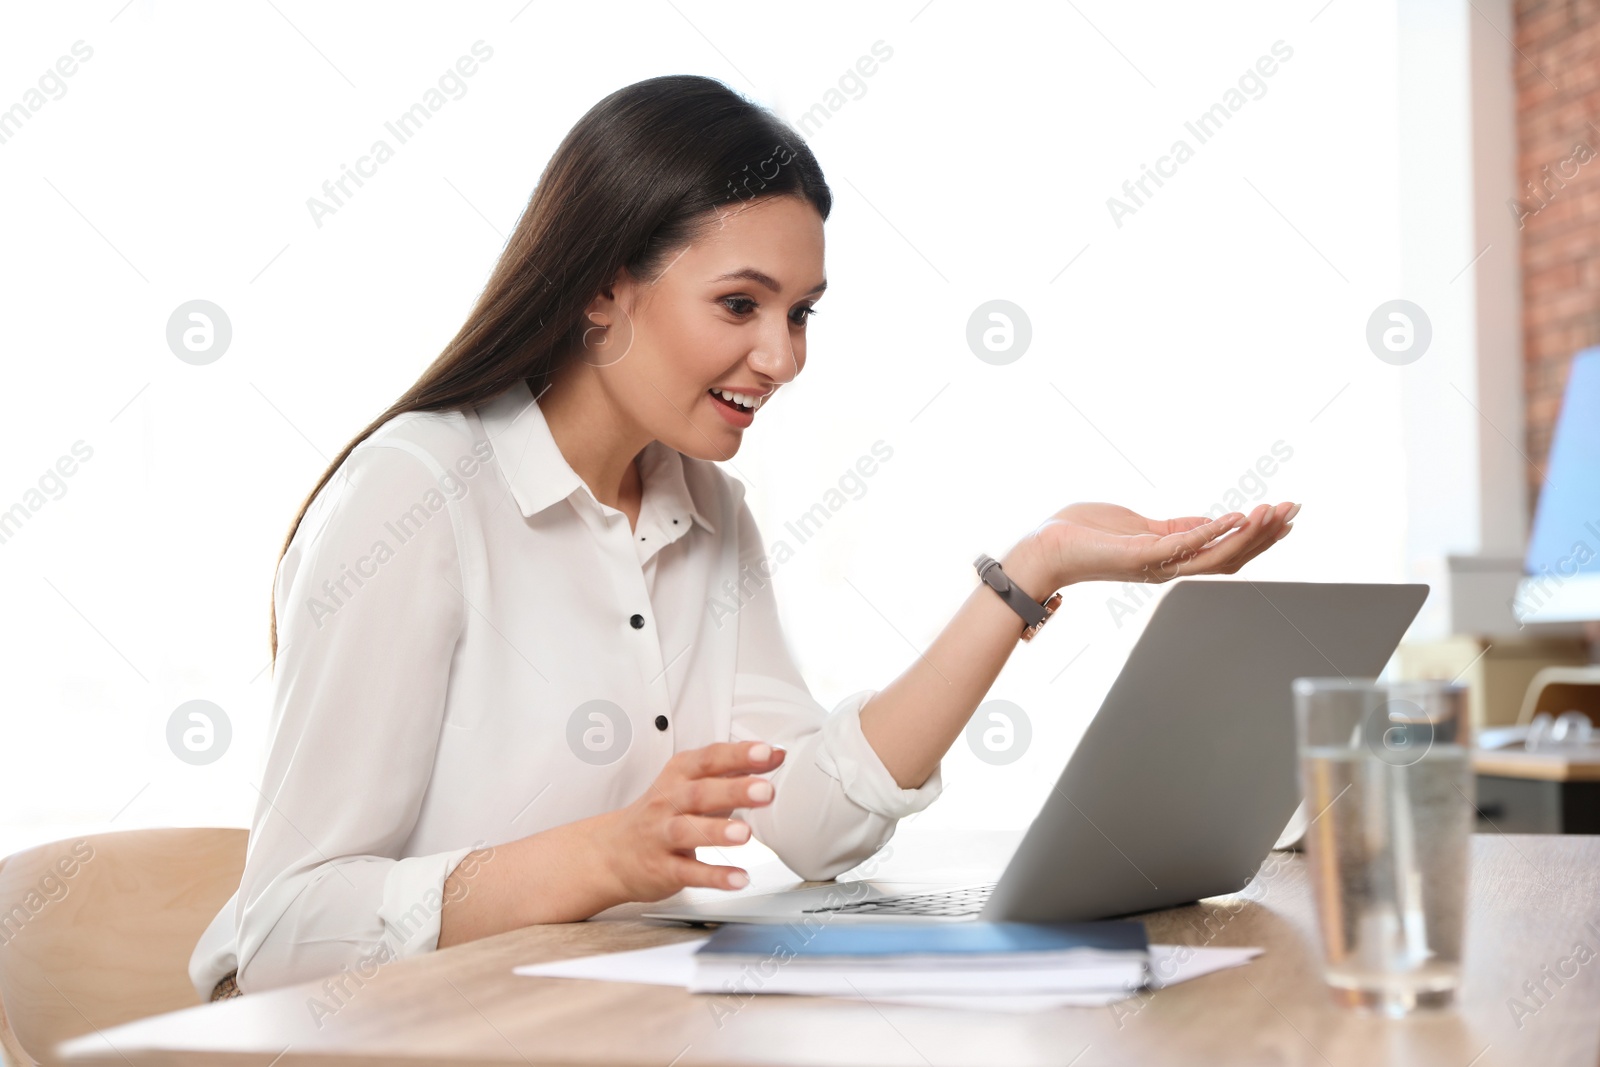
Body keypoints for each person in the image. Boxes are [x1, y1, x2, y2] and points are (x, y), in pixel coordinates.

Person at [190, 73, 1297, 1001]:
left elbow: (816, 820)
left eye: (801, 311)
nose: (783, 356)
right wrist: (599, 854)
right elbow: (288, 923)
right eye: (740, 304)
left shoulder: (705, 508)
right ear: (602, 290)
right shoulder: (416, 497)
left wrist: (1032, 571)